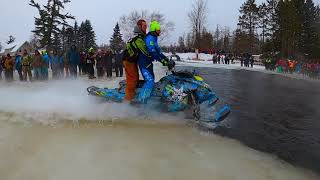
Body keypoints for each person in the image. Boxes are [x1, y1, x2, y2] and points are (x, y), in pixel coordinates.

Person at [137, 21, 175, 103]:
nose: (160, 31)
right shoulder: (149, 38)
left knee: (152, 80)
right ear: (154, 29)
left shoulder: (154, 38)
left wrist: (166, 59)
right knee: (150, 81)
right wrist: (162, 61)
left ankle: (148, 99)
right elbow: (152, 52)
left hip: (148, 63)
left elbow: (158, 51)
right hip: (143, 63)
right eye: (158, 30)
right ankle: (141, 102)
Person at [122, 19, 149, 101]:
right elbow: (146, 51)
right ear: (139, 27)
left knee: (135, 78)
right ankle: (128, 100)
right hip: (129, 61)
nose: (146, 27)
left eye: (146, 26)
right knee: (132, 80)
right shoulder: (138, 38)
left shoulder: (141, 36)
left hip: (132, 60)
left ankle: (132, 94)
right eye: (144, 26)